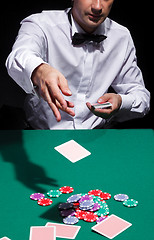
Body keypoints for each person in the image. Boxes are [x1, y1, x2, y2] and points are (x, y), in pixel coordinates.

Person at [6, 0, 150, 129]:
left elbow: (141, 97)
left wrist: (120, 102)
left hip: (96, 138)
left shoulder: (121, 36)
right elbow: (19, 55)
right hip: (41, 136)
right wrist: (39, 69)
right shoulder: (40, 24)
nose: (98, 7)